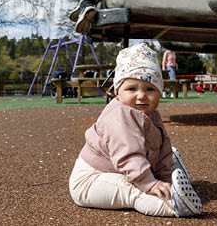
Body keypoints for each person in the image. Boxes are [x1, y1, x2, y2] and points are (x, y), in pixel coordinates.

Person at [69, 43, 202, 217]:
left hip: (124, 169)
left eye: (150, 89)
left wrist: (169, 178)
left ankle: (171, 184)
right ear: (118, 91)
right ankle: (175, 206)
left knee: (155, 169)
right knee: (134, 191)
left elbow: (163, 148)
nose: (141, 95)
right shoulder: (119, 116)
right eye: (132, 88)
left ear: (159, 93)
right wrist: (151, 184)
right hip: (92, 180)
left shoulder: (152, 114)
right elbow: (127, 155)